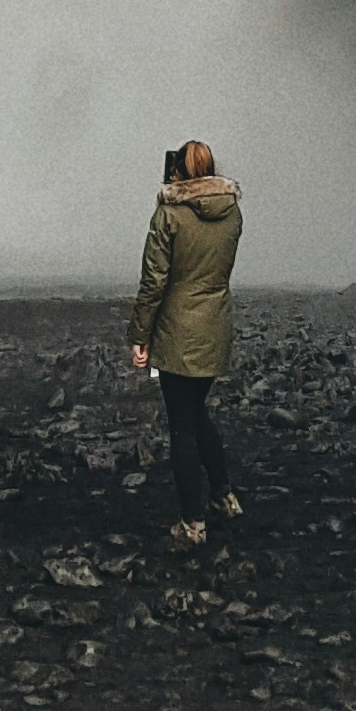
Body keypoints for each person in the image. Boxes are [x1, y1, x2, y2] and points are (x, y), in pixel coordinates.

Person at [128, 138, 242, 548]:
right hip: (214, 329)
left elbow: (153, 282)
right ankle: (224, 496)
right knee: (197, 413)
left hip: (176, 333)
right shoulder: (232, 212)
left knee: (182, 425)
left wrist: (139, 337)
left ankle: (193, 523)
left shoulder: (169, 215)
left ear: (179, 171)